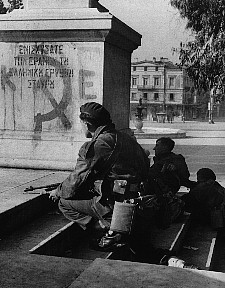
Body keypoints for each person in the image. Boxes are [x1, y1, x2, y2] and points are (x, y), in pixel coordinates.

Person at [49, 102, 150, 233]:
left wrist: (57, 192)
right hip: (138, 198)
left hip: (116, 203)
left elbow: (77, 179)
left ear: (87, 124)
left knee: (64, 203)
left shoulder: (98, 144)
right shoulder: (124, 137)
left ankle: (102, 226)